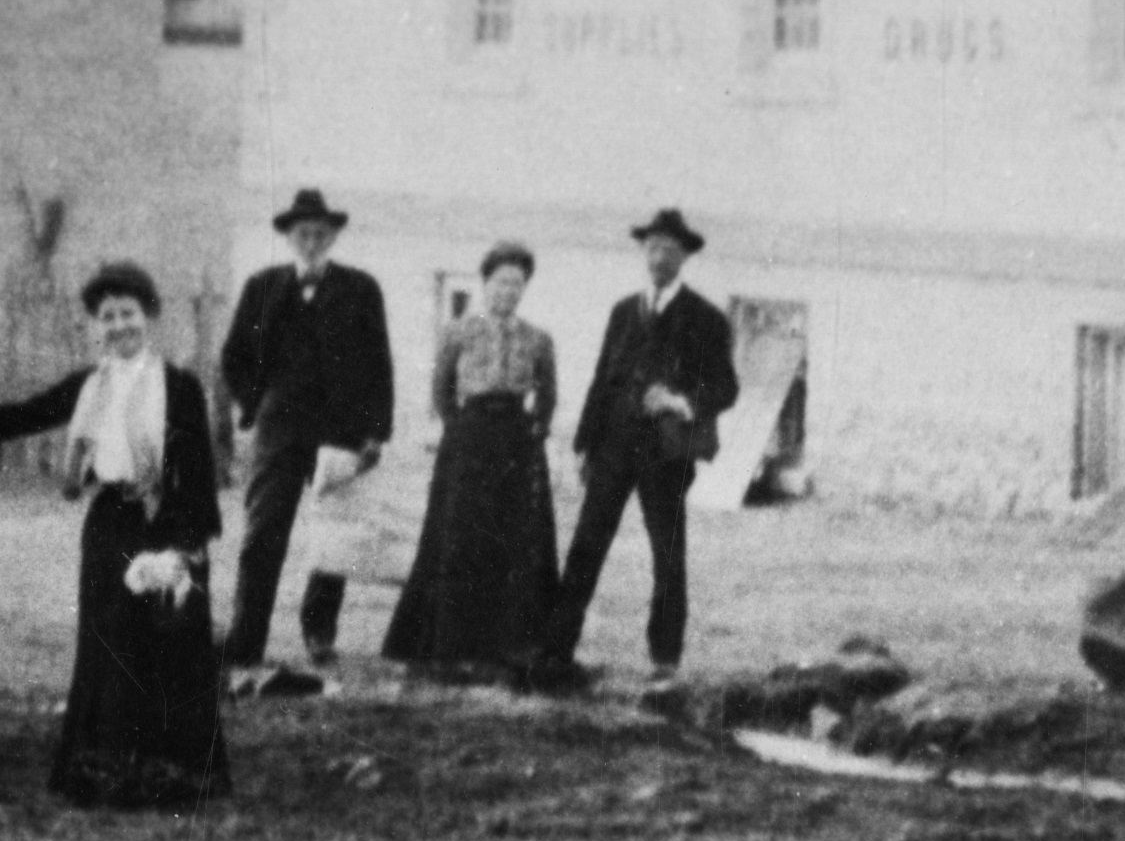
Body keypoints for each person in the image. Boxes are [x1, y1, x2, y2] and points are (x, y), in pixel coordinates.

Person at [0, 260, 229, 808]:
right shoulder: (88, 388)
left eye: (128, 314)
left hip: (166, 519)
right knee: (110, 644)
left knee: (169, 640)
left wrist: (185, 549)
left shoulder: (178, 387)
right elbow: (17, 418)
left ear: (150, 317)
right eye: (107, 317)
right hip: (110, 523)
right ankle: (108, 768)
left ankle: (174, 773)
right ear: (96, 326)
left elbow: (200, 471)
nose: (119, 327)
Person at [549, 207, 742, 687]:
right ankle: (555, 651)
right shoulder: (622, 311)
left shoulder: (706, 318)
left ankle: (665, 660)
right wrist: (583, 444)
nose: (660, 257)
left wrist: (682, 400)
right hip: (612, 447)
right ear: (643, 252)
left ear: (685, 257)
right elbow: (602, 379)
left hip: (666, 454)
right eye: (653, 248)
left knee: (668, 554)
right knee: (586, 546)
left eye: (671, 250)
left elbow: (727, 388)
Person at [216, 187, 396, 682]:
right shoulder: (264, 287)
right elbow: (234, 355)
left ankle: (319, 635)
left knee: (332, 536)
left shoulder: (361, 289)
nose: (312, 241)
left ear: (333, 236)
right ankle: (246, 640)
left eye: (321, 233)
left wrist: (375, 433)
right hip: (279, 430)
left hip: (338, 431)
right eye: (303, 233)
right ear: (289, 238)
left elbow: (379, 364)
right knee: (263, 533)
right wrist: (254, 404)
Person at [379, 243, 562, 678]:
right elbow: (441, 391)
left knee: (512, 537)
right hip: (469, 438)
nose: (508, 292)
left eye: (517, 284)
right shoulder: (459, 331)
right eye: (501, 282)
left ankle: (509, 644)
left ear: (524, 289)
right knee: (459, 536)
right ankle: (450, 644)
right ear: (485, 284)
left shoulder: (538, 338)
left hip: (516, 440)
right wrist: (458, 430)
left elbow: (548, 395)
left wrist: (535, 430)